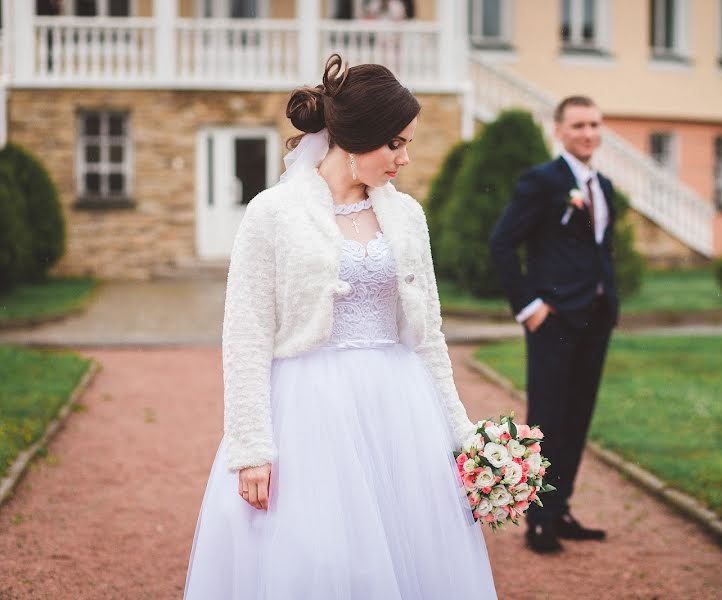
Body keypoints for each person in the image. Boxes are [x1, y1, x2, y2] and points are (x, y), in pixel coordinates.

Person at [183, 54, 497, 599]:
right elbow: (246, 336)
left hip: (402, 414)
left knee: (412, 554)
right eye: (394, 144)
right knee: (320, 561)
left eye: (408, 144)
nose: (403, 159)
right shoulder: (272, 214)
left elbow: (428, 335)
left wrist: (460, 434)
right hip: (308, 416)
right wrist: (251, 447)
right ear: (355, 140)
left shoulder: (408, 217)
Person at [489, 95, 618, 554]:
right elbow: (502, 243)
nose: (588, 133)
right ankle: (538, 521)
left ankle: (560, 509)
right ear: (559, 130)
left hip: (597, 318)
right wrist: (530, 307)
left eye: (595, 124)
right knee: (547, 419)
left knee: (578, 417)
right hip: (555, 320)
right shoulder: (542, 182)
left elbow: (601, 249)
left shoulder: (603, 185)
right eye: (579, 125)